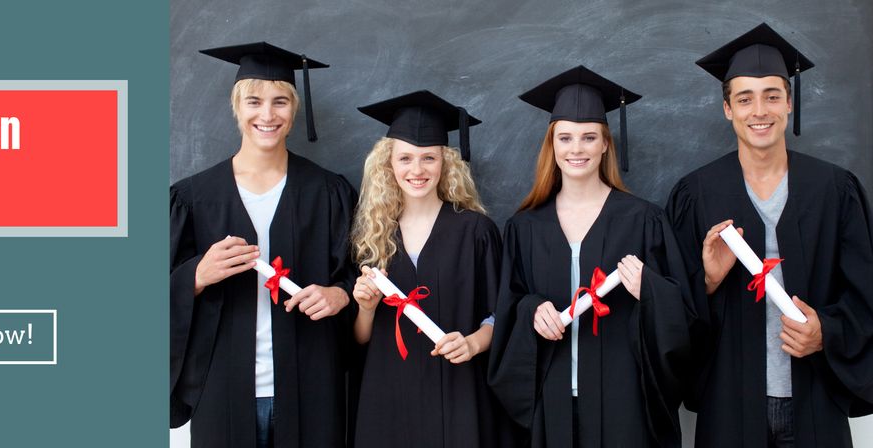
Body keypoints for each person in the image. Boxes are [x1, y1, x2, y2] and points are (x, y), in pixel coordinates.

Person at [667, 23, 873, 447]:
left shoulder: (834, 190)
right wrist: (706, 281)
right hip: (728, 401)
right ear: (728, 109)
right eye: (745, 98)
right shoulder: (696, 193)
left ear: (789, 103)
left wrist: (827, 333)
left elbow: (865, 295)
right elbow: (667, 308)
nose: (759, 110)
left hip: (815, 398)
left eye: (772, 95)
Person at [489, 66, 692, 447]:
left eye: (588, 137)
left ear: (605, 144)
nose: (576, 148)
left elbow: (685, 312)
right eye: (565, 138)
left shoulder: (644, 220)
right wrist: (531, 309)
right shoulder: (524, 227)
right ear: (552, 146)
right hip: (551, 398)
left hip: (624, 398)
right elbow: (507, 304)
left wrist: (649, 290)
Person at [169, 42, 357, 448]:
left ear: (294, 110)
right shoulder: (191, 199)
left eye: (280, 101)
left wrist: (339, 295)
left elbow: (360, 275)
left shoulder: (329, 192)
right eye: (254, 101)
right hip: (221, 385)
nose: (267, 115)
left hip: (312, 383)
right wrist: (196, 277)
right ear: (237, 107)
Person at [349, 90, 508, 447]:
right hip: (389, 394)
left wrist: (472, 343)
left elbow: (501, 315)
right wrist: (366, 307)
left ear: (445, 163)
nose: (416, 170)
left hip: (459, 389)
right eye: (405, 158)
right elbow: (360, 338)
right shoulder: (374, 236)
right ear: (388, 164)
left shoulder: (475, 231)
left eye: (428, 158)